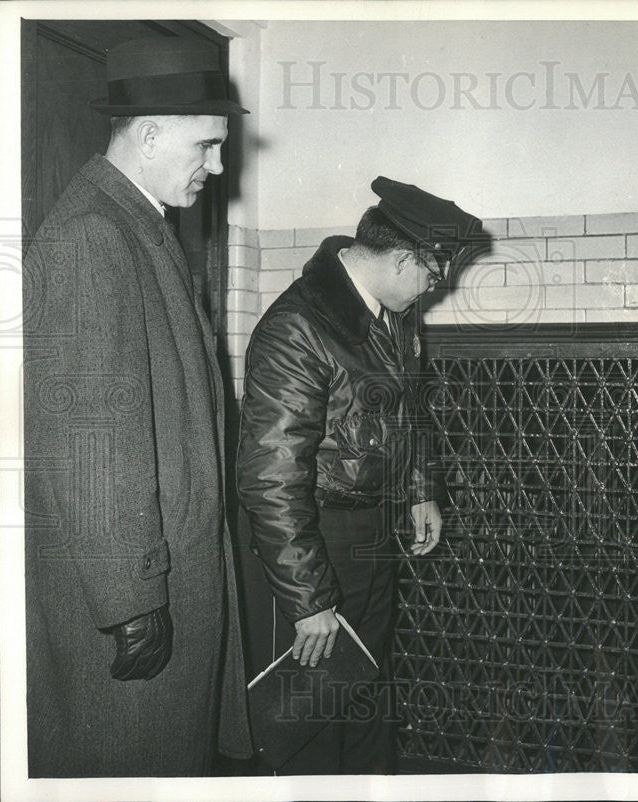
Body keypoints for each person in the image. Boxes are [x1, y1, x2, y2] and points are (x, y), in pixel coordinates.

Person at [23, 36, 252, 777]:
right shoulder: (93, 236)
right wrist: (128, 599)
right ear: (148, 134)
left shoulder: (133, 224)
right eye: (207, 145)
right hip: (133, 599)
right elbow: (90, 439)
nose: (218, 167)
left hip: (163, 578)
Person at [236, 176, 483, 774]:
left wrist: (422, 489)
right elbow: (272, 479)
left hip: (373, 533)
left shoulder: (393, 315)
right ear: (402, 258)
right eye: (433, 272)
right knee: (313, 720)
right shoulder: (297, 328)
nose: (437, 285)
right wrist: (309, 599)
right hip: (314, 540)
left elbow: (410, 407)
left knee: (369, 692)